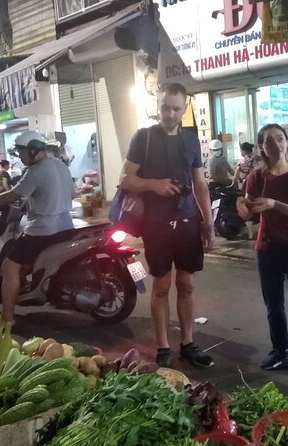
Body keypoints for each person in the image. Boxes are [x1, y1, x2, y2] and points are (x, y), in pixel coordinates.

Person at [119, 82, 215, 369]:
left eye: (176, 108)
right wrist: (153, 185)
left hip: (187, 222)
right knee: (161, 286)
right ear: (157, 107)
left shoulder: (191, 141)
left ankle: (187, 343)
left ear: (184, 109)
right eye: (165, 107)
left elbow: (200, 184)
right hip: (156, 225)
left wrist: (208, 223)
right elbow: (125, 179)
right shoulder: (143, 138)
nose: (170, 114)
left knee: (187, 284)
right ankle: (162, 345)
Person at [236, 124, 288, 378]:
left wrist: (273, 204)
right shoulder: (256, 177)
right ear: (262, 147)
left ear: (287, 142)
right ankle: (281, 351)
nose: (276, 145)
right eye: (269, 141)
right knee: (274, 306)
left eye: (280, 139)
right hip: (267, 248)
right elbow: (248, 210)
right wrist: (242, 206)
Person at [0, 131, 75, 331]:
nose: (20, 157)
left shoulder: (36, 171)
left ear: (33, 149)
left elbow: (11, 196)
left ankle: (7, 320)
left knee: (9, 266)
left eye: (21, 152)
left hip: (42, 230)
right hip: (66, 227)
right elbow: (72, 193)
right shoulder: (61, 166)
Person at [234, 142, 263, 239]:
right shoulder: (258, 158)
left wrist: (240, 179)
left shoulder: (242, 161)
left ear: (244, 151)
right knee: (260, 207)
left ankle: (250, 234)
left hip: (247, 185)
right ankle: (261, 231)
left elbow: (236, 175)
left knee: (247, 208)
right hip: (260, 186)